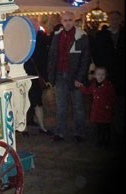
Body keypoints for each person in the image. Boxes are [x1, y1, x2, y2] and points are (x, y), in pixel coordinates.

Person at [47, 11, 91, 142]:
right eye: (65, 20)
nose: (67, 22)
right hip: (60, 76)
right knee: (60, 106)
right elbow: (52, 57)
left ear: (74, 20)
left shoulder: (81, 36)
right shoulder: (57, 36)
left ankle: (79, 132)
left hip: (74, 76)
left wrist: (80, 78)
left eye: (70, 20)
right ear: (61, 21)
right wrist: (51, 77)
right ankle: (60, 132)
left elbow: (85, 59)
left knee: (78, 107)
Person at [90, 10, 124, 140]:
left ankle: (119, 128)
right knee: (104, 102)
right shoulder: (102, 35)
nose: (114, 21)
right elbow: (96, 53)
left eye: (116, 19)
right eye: (112, 19)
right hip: (106, 74)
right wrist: (100, 71)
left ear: (120, 20)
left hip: (121, 75)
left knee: (120, 102)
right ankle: (104, 130)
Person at [23, 19, 51, 135]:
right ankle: (25, 127)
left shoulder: (41, 38)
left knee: (37, 101)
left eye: (35, 25)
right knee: (25, 101)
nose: (33, 27)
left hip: (34, 74)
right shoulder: (24, 38)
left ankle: (41, 126)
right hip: (25, 74)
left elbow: (45, 59)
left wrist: (46, 77)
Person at [75, 66, 116, 147]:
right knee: (99, 127)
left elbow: (113, 97)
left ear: (105, 75)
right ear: (95, 75)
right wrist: (80, 86)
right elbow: (88, 91)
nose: (100, 76)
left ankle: (107, 141)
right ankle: (100, 141)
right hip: (97, 110)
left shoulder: (108, 85)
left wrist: (109, 106)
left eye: (103, 74)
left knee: (106, 127)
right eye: (98, 74)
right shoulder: (93, 84)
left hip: (105, 110)